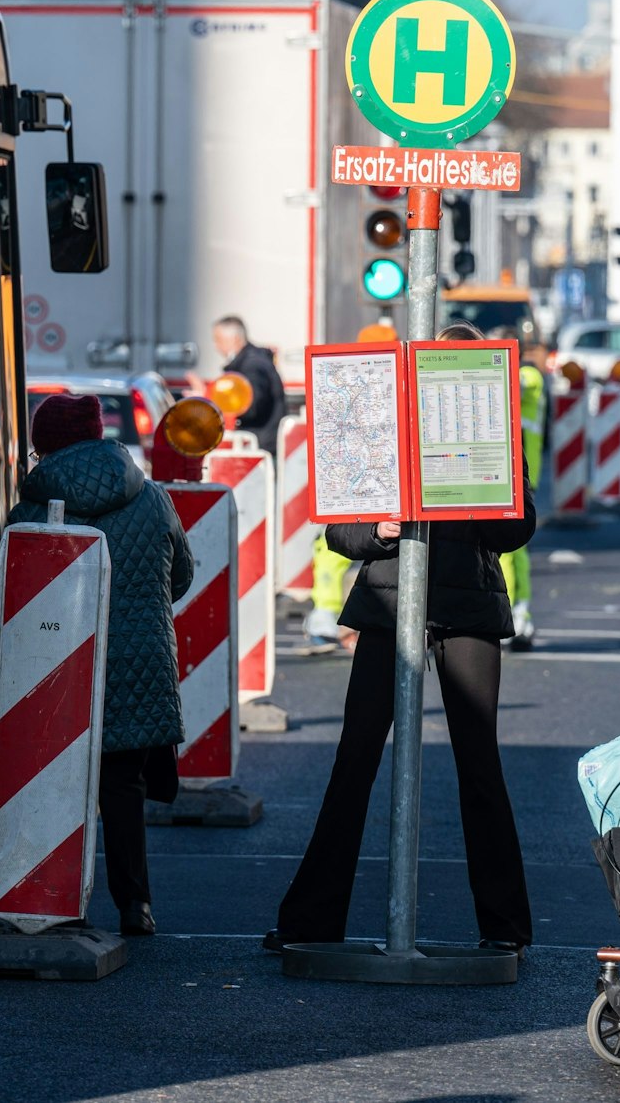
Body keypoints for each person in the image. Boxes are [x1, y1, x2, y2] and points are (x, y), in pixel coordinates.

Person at [265, 321, 539, 955]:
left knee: (478, 766)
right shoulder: (387, 430)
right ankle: (312, 922)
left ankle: (505, 929)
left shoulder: (497, 432)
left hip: (462, 609)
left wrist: (485, 498)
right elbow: (339, 533)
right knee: (356, 759)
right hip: (393, 606)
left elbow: (518, 529)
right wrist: (381, 529)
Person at [10, 393, 195, 936]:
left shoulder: (32, 508)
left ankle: (56, 904)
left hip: (58, 671)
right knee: (122, 786)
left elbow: (11, 589)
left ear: (45, 447)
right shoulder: (152, 498)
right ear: (98, 434)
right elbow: (180, 578)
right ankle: (135, 905)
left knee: (55, 784)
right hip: (138, 662)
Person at [503, 338, 547, 650]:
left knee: (510, 550)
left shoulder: (528, 377)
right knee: (514, 552)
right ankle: (519, 614)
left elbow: (515, 384)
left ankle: (514, 613)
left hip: (518, 475)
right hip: (516, 473)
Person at [211, 315, 287, 456]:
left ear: (234, 339)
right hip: (260, 442)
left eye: (218, 340)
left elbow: (250, 406)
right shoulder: (252, 362)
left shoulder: (252, 366)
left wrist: (212, 399)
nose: (216, 346)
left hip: (259, 446)